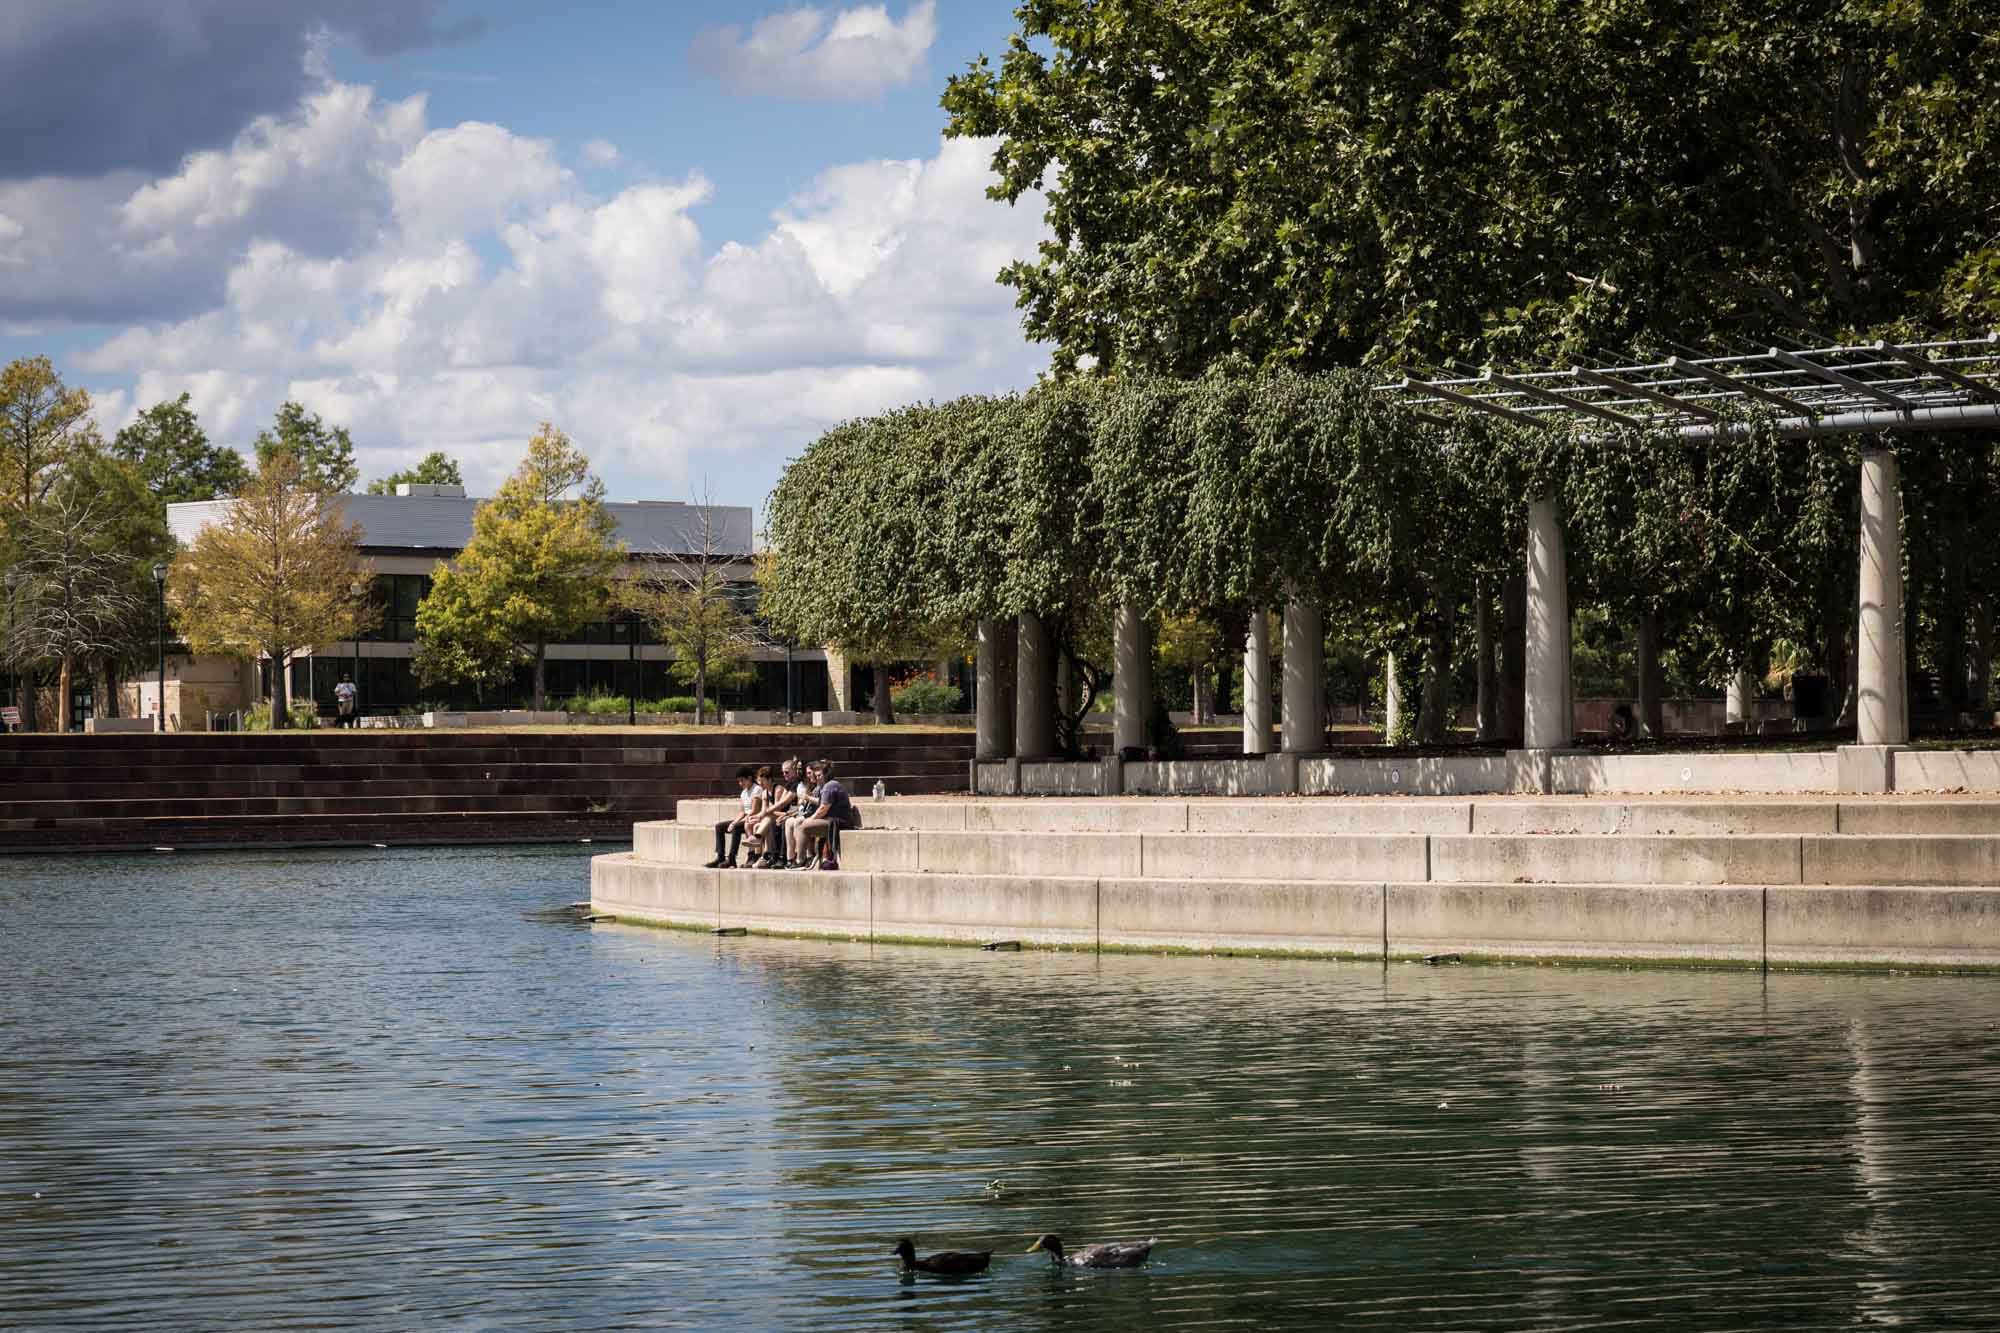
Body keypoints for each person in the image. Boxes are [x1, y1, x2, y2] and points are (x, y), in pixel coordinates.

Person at [791, 758, 861, 869]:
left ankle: (801, 860)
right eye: (816, 775)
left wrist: (811, 819)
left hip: (839, 822)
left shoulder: (830, 786)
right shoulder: (826, 786)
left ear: (826, 775)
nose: (817, 778)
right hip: (831, 820)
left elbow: (823, 808)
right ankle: (802, 858)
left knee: (802, 826)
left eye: (819, 776)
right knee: (800, 824)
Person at [705, 766, 759, 868]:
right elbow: (742, 812)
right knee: (719, 826)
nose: (740, 784)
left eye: (742, 780)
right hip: (745, 818)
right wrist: (733, 822)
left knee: (737, 827)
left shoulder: (757, 789)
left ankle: (732, 858)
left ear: (750, 778)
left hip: (753, 819)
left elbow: (754, 810)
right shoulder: (744, 793)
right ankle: (720, 857)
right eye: (739, 781)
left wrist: (736, 823)